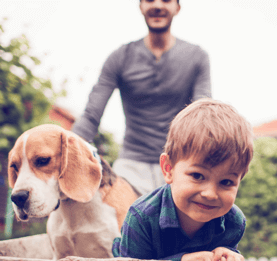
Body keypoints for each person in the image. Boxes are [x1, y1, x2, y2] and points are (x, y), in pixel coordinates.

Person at [72, 0, 211, 195]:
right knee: (125, 219)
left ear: (177, 8)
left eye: (166, 0)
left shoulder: (196, 57)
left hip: (179, 164)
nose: (157, 5)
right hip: (130, 167)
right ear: (140, 6)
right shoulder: (119, 58)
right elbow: (91, 115)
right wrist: (67, 151)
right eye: (149, 0)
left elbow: (202, 114)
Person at [112, 98, 254, 261]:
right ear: (168, 169)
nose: (210, 194)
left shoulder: (233, 223)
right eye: (197, 176)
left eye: (226, 182)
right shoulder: (141, 217)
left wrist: (230, 257)